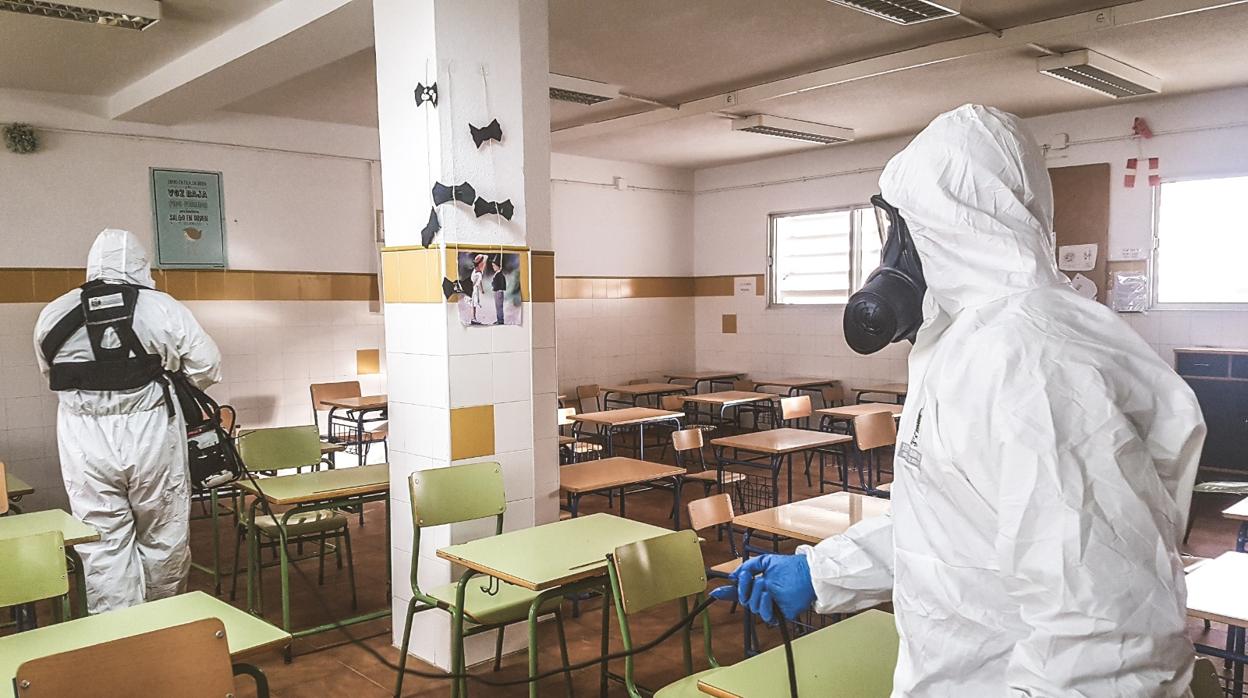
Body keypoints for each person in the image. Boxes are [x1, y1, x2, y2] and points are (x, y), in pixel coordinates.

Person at [716, 105, 1205, 696]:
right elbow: (951, 529)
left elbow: (1107, 639)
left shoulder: (1034, 365)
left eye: (904, 230)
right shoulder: (969, 344)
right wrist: (820, 570)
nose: (895, 254)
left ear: (950, 226)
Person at [34, 229, 221, 613]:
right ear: (140, 265)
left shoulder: (54, 312)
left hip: (83, 437)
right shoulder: (162, 307)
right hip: (151, 431)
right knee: (163, 532)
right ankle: (159, 622)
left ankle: (120, 639)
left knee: (102, 539)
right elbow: (208, 367)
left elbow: (48, 373)